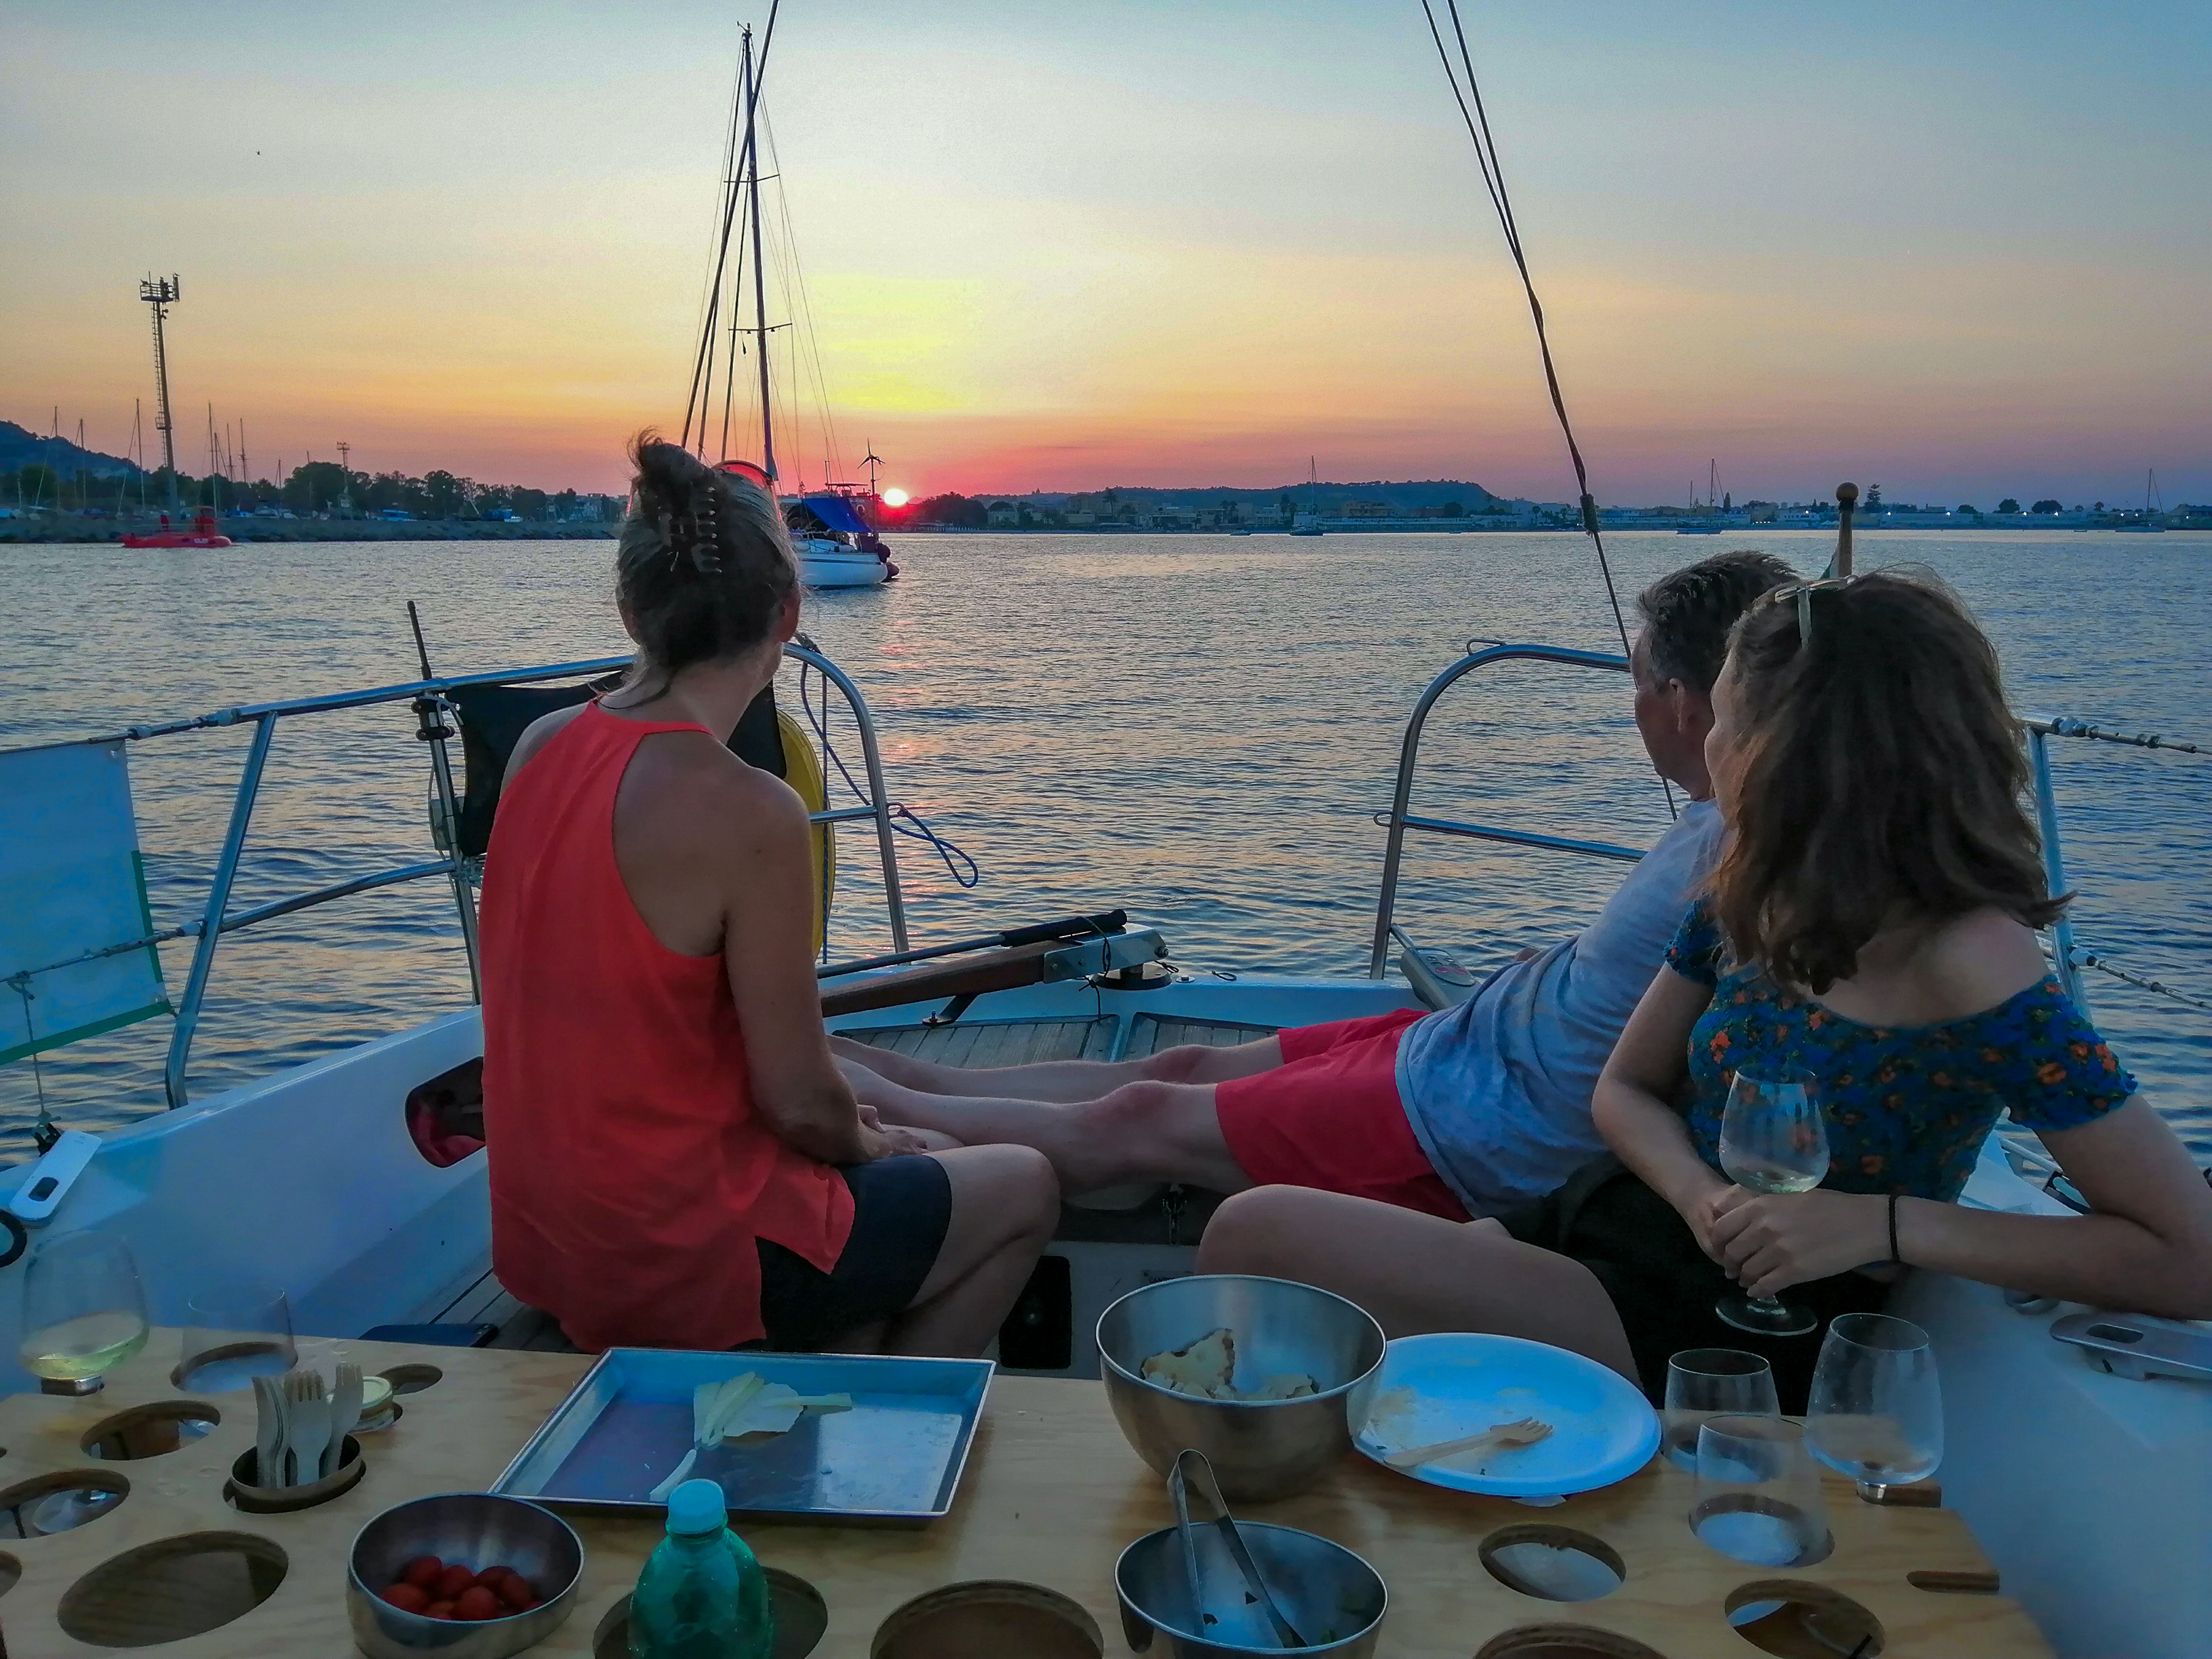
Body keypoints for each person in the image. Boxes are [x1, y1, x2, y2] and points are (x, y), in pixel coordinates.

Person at [1193, 570, 2212, 1407]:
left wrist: (1884, 1226)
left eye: (1725, 720)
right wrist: (1701, 1194)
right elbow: (1624, 1090)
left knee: (1257, 1232)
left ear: (1795, 750)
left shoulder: (1973, 960)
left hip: (1728, 1324)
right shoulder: (1748, 892)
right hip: (1614, 1227)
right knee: (1288, 1270)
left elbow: (2187, 1257)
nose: (1709, 745)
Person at [842, 551, 1798, 1217]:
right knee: (1179, 1069)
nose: (1632, 708)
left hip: (1468, 1127)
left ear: (1685, 703)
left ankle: (895, 1117)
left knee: (1142, 1118)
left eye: (1637, 684)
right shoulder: (1728, 816)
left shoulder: (1749, 850)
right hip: (1464, 1050)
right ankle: (924, 1083)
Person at [477, 435, 1058, 1357]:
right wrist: (873, 1141)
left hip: (550, 1235)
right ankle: (890, 1422)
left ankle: (830, 1391)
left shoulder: (541, 745)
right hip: (676, 1251)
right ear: (787, 611)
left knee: (870, 1279)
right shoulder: (749, 809)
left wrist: (853, 1132)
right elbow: (798, 1102)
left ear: (629, 610)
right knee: (1022, 1183)